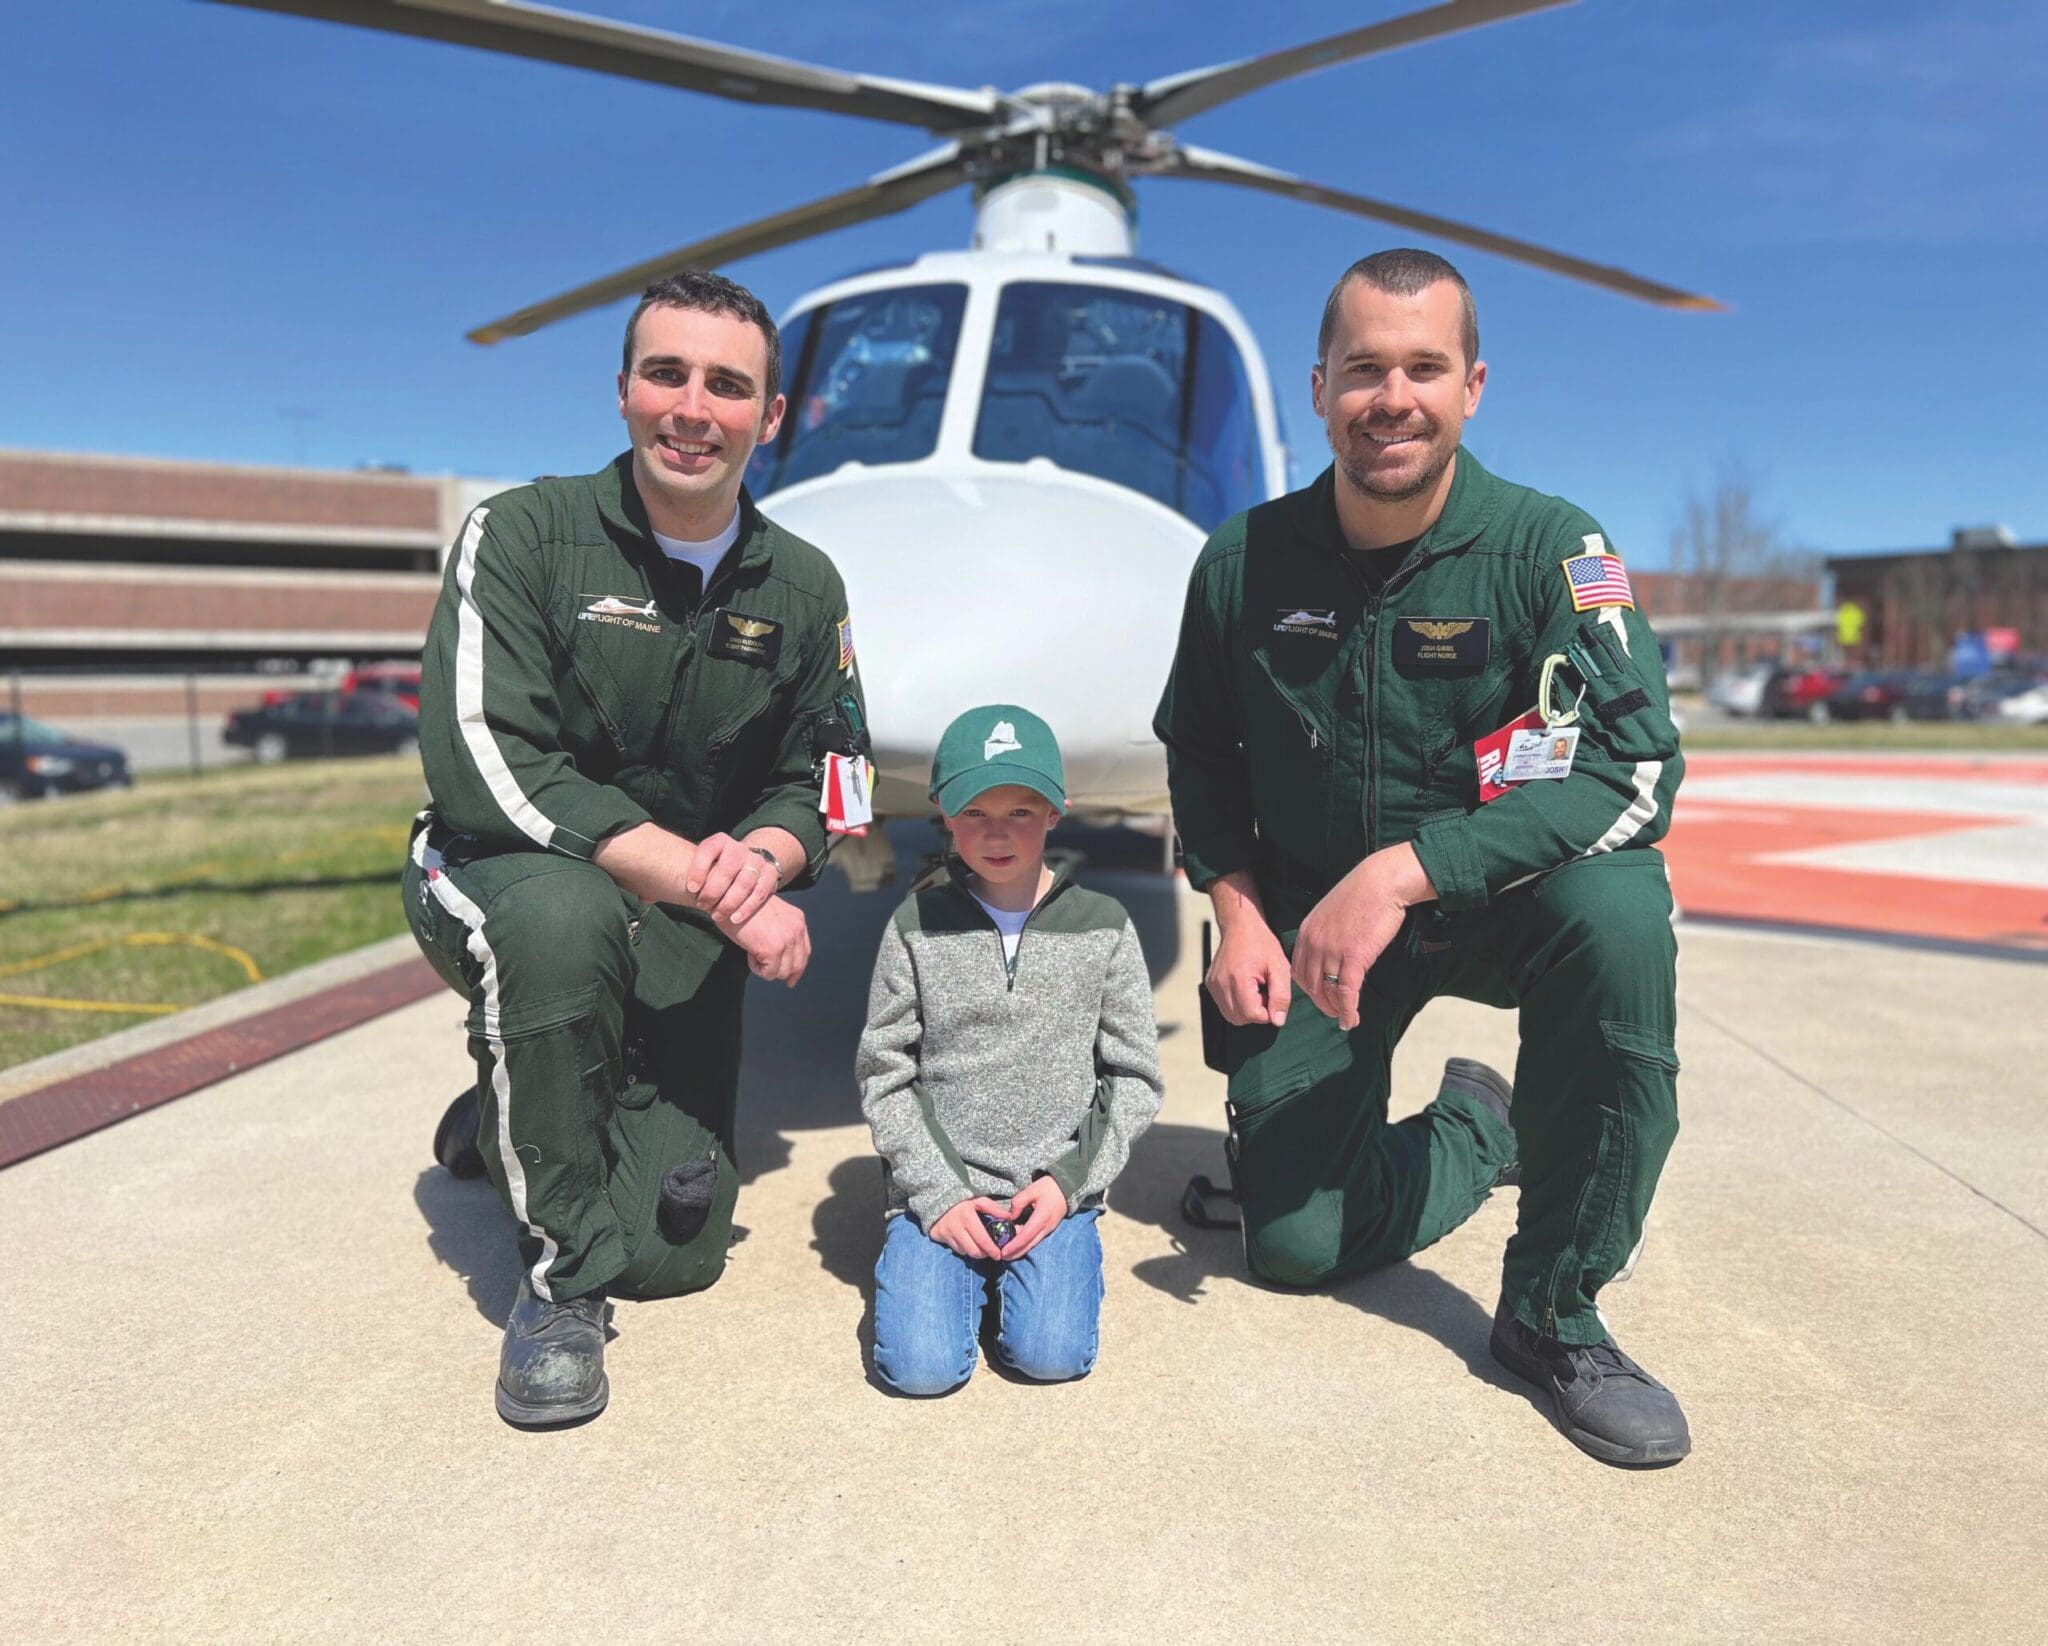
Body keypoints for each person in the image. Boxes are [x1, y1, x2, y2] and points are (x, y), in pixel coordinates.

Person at [1154, 249, 1689, 1466]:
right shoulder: (1241, 562)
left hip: (1501, 900)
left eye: (1422, 368)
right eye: (1362, 370)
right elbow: (1197, 754)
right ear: (1318, 388)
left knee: (1617, 922)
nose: (1390, 396)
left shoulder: (1552, 550)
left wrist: (1401, 870)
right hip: (1313, 924)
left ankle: (1555, 1311)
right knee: (1291, 1244)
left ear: (1472, 385)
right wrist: (1235, 909)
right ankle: (1474, 1130)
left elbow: (1632, 769)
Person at [401, 269, 869, 1427]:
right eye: (666, 373)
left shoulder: (805, 586)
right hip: (500, 870)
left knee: (675, 1252)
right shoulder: (519, 533)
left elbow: (839, 775)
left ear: (770, 419)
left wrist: (764, 856)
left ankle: (519, 1097)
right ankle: (557, 1296)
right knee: (561, 927)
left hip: (690, 907)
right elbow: (486, 758)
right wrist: (708, 885)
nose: (690, 407)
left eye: (727, 385)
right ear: (622, 391)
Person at [855, 706, 1163, 1395]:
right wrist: (938, 1196)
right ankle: (951, 1270)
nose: (997, 834)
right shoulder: (914, 926)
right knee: (921, 1372)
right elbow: (885, 1074)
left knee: (1051, 1356)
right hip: (943, 1189)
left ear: (1057, 812)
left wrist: (1065, 1186)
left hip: (1051, 1190)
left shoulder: (1105, 927)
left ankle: (1027, 1272)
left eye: (1021, 812)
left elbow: (1135, 1075)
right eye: (975, 812)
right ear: (942, 813)